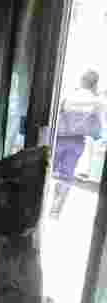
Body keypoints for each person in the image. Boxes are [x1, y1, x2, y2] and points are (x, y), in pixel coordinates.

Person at [50, 69, 104, 220]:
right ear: (95, 83)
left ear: (81, 80)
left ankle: (41, 203)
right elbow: (99, 128)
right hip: (77, 142)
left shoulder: (70, 95)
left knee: (49, 172)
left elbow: (55, 113)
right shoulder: (97, 101)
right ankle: (55, 211)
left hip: (60, 138)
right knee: (67, 176)